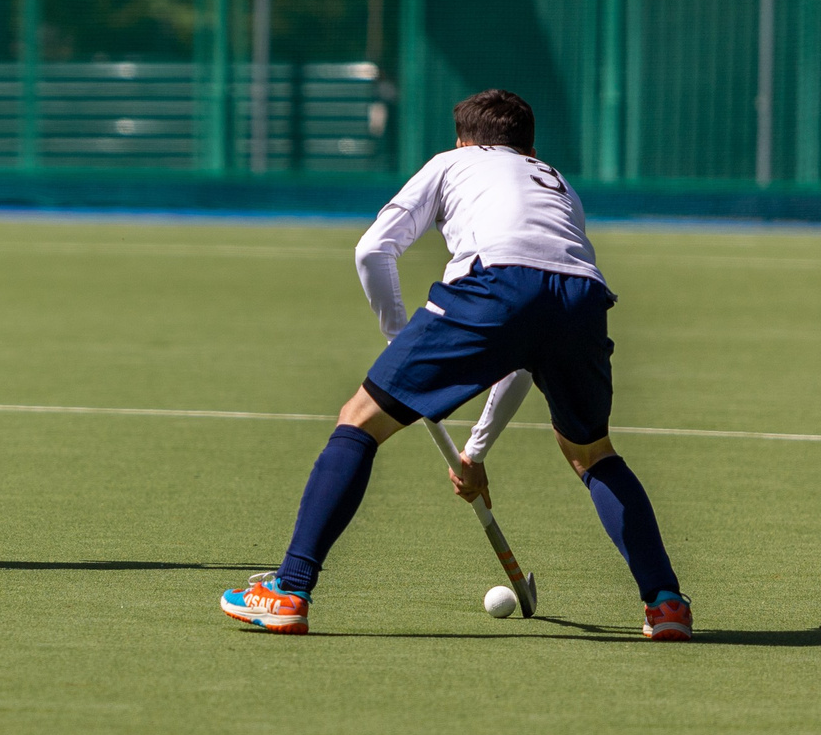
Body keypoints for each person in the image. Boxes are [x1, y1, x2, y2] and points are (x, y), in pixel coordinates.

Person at [220, 89, 694, 640]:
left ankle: (289, 590)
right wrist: (475, 451)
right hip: (582, 298)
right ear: (528, 146)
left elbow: (372, 250)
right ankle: (665, 603)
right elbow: (525, 349)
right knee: (592, 453)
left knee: (359, 420)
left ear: (465, 141)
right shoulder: (555, 181)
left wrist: (400, 341)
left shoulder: (452, 162)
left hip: (494, 283)